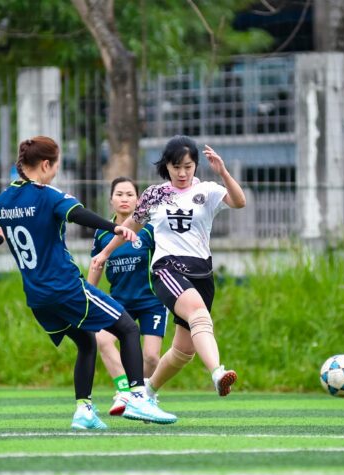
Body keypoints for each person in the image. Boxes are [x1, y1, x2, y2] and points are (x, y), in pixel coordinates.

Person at [0, 136, 177, 430]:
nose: (56, 171)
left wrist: (1, 239)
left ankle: (83, 409)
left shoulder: (1, 201)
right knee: (127, 327)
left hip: (37, 298)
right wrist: (116, 228)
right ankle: (137, 395)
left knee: (86, 342)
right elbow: (79, 216)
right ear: (45, 164)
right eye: (56, 165)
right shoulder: (48, 195)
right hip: (66, 287)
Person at [91, 135, 247, 404]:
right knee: (199, 314)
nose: (182, 172)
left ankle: (147, 393)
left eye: (188, 166)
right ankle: (217, 374)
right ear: (167, 166)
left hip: (201, 273)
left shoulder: (208, 191)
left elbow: (239, 201)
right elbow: (131, 225)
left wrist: (223, 172)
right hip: (168, 268)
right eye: (176, 167)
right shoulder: (155, 194)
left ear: (196, 164)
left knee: (183, 351)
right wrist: (105, 252)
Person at [87, 177, 168, 416]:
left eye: (130, 194)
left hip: (151, 301)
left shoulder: (150, 229)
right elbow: (96, 264)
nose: (124, 198)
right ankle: (124, 390)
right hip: (119, 302)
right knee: (102, 339)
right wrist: (88, 300)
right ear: (111, 200)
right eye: (119, 194)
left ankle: (142, 398)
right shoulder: (102, 234)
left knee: (152, 358)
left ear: (138, 200)